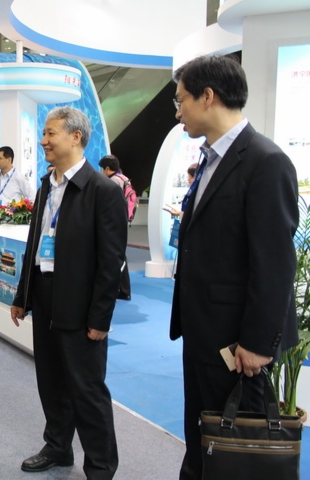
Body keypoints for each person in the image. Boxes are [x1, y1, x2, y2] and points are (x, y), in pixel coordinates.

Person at [170, 55, 299, 480]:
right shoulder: (211, 159)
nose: (178, 111)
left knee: (236, 452)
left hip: (238, 344)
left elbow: (275, 263)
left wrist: (258, 343)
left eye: (181, 100)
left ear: (208, 97)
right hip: (203, 332)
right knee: (203, 437)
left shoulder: (265, 161)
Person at [11, 106, 127, 480]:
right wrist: (23, 295)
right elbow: (35, 245)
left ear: (76, 137)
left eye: (50, 133)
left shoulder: (103, 191)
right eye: (44, 134)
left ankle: (101, 467)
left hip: (80, 300)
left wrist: (100, 318)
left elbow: (111, 263)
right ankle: (58, 447)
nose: (43, 140)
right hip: (46, 294)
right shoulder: (47, 186)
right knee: (51, 380)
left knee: (87, 389)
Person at [98, 154, 132, 301]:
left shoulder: (114, 181)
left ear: (107, 168)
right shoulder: (123, 178)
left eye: (102, 169)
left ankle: (123, 289)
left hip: (115, 223)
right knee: (120, 255)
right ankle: (124, 289)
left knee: (117, 257)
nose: (101, 172)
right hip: (122, 221)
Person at [0, 146, 34, 212]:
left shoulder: (19, 177)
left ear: (9, 160)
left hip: (9, 215)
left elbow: (31, 198)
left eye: (0, 158)